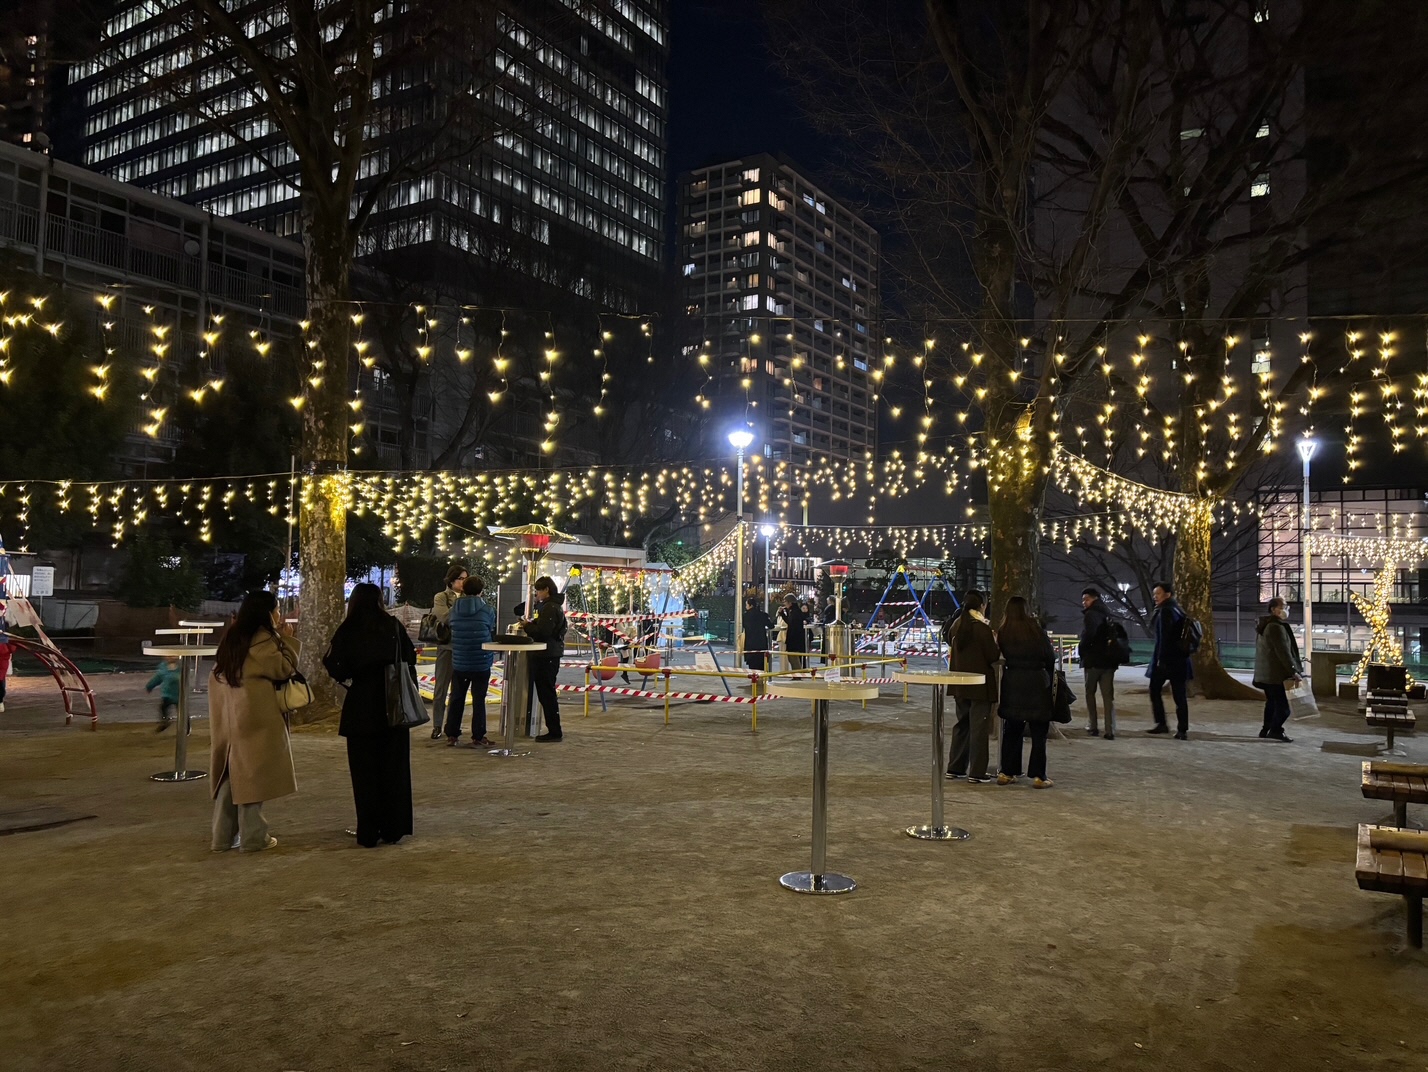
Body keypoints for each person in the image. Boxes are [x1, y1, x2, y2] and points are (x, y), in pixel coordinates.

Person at [322, 583, 417, 847]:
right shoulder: (393, 626)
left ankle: (368, 830)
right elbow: (410, 657)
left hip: (361, 705)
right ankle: (393, 827)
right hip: (393, 704)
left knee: (364, 773)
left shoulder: (348, 629)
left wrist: (352, 676)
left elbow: (333, 664)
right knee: (394, 768)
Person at [208, 590, 300, 853]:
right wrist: (288, 640)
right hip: (254, 712)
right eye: (278, 609)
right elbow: (283, 668)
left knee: (230, 771)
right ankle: (253, 836)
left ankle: (221, 837)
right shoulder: (262, 640)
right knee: (252, 772)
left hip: (227, 711)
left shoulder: (232, 637)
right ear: (267, 613)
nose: (280, 614)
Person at [995, 596, 1057, 789]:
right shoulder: (1035, 629)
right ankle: (1039, 775)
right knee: (1039, 731)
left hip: (1013, 681)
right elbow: (1050, 656)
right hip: (1037, 682)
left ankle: (1007, 771)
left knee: (1012, 729)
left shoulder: (1004, 631)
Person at [942, 590, 1000, 784]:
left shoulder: (957, 626)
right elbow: (992, 656)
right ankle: (977, 771)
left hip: (960, 684)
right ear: (982, 606)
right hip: (979, 685)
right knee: (979, 727)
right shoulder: (982, 628)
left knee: (962, 725)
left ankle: (955, 767)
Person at [446, 574, 497, 748]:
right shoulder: (487, 610)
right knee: (478, 699)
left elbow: (448, 624)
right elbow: (490, 628)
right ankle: (478, 735)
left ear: (463, 589)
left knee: (456, 698)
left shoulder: (453, 609)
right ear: (481, 591)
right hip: (481, 660)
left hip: (459, 660)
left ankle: (452, 734)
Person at [520, 576, 567, 742]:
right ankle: (554, 729)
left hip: (546, 655)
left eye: (539, 590)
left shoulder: (549, 608)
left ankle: (554, 731)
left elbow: (543, 632)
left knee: (546, 693)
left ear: (546, 590)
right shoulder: (553, 606)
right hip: (550, 654)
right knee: (547, 692)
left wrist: (527, 626)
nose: (537, 594)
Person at [1253, 596, 1303, 743]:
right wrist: (1293, 671)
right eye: (1282, 607)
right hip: (1275, 675)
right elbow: (1284, 652)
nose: (1286, 609)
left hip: (1266, 673)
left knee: (1272, 703)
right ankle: (1275, 730)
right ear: (1273, 609)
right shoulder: (1276, 627)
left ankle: (1265, 729)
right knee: (1284, 707)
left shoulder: (1266, 625)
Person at [1147, 581, 1192, 739]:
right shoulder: (1177, 609)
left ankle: (1162, 724)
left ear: (1167, 594)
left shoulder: (1165, 611)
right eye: (1154, 594)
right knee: (1179, 695)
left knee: (1155, 689)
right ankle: (1182, 729)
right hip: (1180, 660)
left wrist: (1160, 659)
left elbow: (1164, 638)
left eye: (1158, 594)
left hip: (1167, 660)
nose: (1155, 597)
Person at [428, 565, 466, 740]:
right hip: (446, 648)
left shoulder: (469, 597)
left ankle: (452, 726)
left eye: (466, 579)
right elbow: (445, 618)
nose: (464, 582)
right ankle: (437, 725)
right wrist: (459, 604)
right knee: (440, 689)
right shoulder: (441, 597)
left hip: (462, 648)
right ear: (452, 580)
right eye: (461, 578)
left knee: (457, 691)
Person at [1078, 588, 1121, 739]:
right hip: (1108, 662)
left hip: (1093, 661)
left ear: (1094, 599)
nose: (1084, 603)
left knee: (1090, 693)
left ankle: (1093, 725)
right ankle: (1110, 729)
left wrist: (1082, 651)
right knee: (1108, 696)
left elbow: (1088, 636)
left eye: (1086, 599)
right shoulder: (1107, 613)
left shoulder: (1090, 615)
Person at [146, 656, 181, 732]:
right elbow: (157, 678)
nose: (171, 658)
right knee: (163, 708)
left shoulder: (181, 668)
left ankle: (186, 728)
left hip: (180, 695)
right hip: (168, 694)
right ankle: (165, 722)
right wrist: (150, 686)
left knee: (182, 713)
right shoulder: (164, 668)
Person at [742, 596, 773, 672]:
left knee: (752, 663)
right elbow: (771, 625)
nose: (746, 606)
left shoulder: (745, 616)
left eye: (746, 605)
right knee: (761, 663)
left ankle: (754, 681)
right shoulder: (763, 615)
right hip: (761, 642)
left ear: (750, 605)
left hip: (750, 643)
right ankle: (761, 681)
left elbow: (744, 626)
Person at [777, 594, 807, 671]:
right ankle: (796, 674)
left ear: (790, 602)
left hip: (794, 638)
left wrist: (783, 614)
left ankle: (797, 674)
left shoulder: (794, 612)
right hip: (795, 638)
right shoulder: (794, 611)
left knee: (793, 658)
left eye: (785, 602)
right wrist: (783, 614)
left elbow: (790, 623)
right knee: (793, 657)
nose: (784, 604)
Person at [0, 629, 16, 713]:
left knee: (1, 678)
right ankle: (0, 701)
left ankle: (0, 701)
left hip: (3, 649)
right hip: (3, 648)